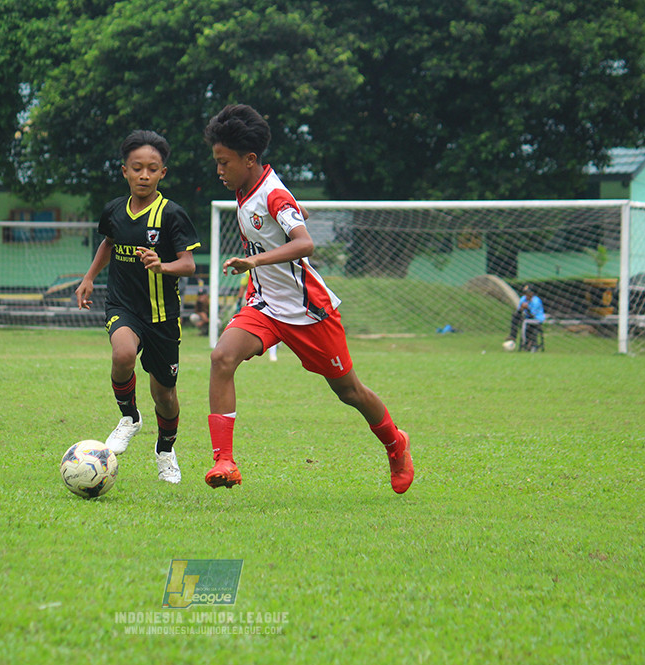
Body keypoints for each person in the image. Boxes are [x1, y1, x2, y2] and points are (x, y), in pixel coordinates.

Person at [201, 104, 413, 493]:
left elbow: (305, 244)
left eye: (223, 162)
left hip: (308, 311)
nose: (219, 170)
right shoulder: (246, 186)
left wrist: (255, 259)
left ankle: (395, 443)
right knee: (221, 357)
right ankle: (225, 461)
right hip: (265, 305)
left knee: (349, 391)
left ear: (250, 160)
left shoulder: (273, 194)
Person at [76, 130, 201, 484]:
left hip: (162, 316)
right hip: (123, 305)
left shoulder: (172, 215)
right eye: (137, 168)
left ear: (163, 173)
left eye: (152, 168)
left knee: (165, 395)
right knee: (122, 355)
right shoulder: (114, 210)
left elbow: (188, 264)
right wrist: (88, 278)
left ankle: (165, 450)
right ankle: (129, 417)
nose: (144, 175)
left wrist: (162, 266)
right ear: (125, 171)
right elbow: (108, 243)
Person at [506, 284, 545, 351]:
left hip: (537, 319)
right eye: (525, 293)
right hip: (528, 318)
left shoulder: (536, 301)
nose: (526, 295)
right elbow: (518, 312)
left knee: (525, 322)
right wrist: (521, 308)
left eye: (527, 293)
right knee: (515, 316)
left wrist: (528, 308)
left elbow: (533, 315)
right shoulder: (523, 299)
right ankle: (513, 336)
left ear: (532, 293)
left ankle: (525, 343)